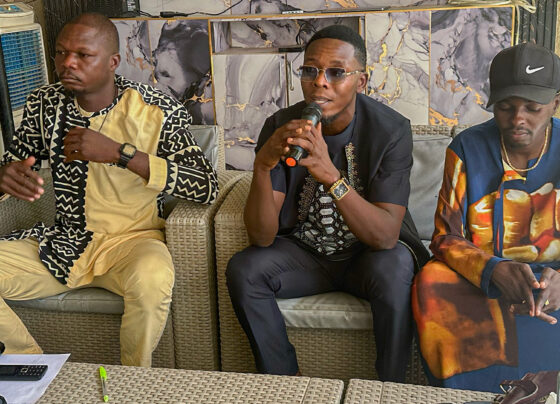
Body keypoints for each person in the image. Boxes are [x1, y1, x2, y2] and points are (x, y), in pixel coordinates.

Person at [0, 13, 218, 366]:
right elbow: (15, 164)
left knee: (152, 278)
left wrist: (121, 154)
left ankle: (133, 377)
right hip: (64, 243)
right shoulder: (45, 104)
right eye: (60, 52)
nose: (67, 63)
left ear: (113, 62)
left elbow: (205, 185)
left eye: (83, 55)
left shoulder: (157, 109)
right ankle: (33, 369)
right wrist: (4, 176)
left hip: (133, 242)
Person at [226, 25, 429, 382]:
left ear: (361, 81)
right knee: (244, 269)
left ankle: (390, 386)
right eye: (310, 70)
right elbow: (261, 236)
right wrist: (261, 167)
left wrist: (332, 177)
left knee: (396, 265)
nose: (320, 82)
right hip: (306, 255)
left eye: (336, 72)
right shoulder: (282, 125)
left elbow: (385, 236)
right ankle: (286, 382)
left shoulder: (391, 131)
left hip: (368, 258)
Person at [412, 42, 560, 392]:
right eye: (506, 107)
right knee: (431, 281)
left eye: (532, 108)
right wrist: (495, 270)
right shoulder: (467, 147)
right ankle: (465, 397)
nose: (518, 119)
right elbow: (445, 238)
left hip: (554, 276)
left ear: (556, 102)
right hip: (481, 275)